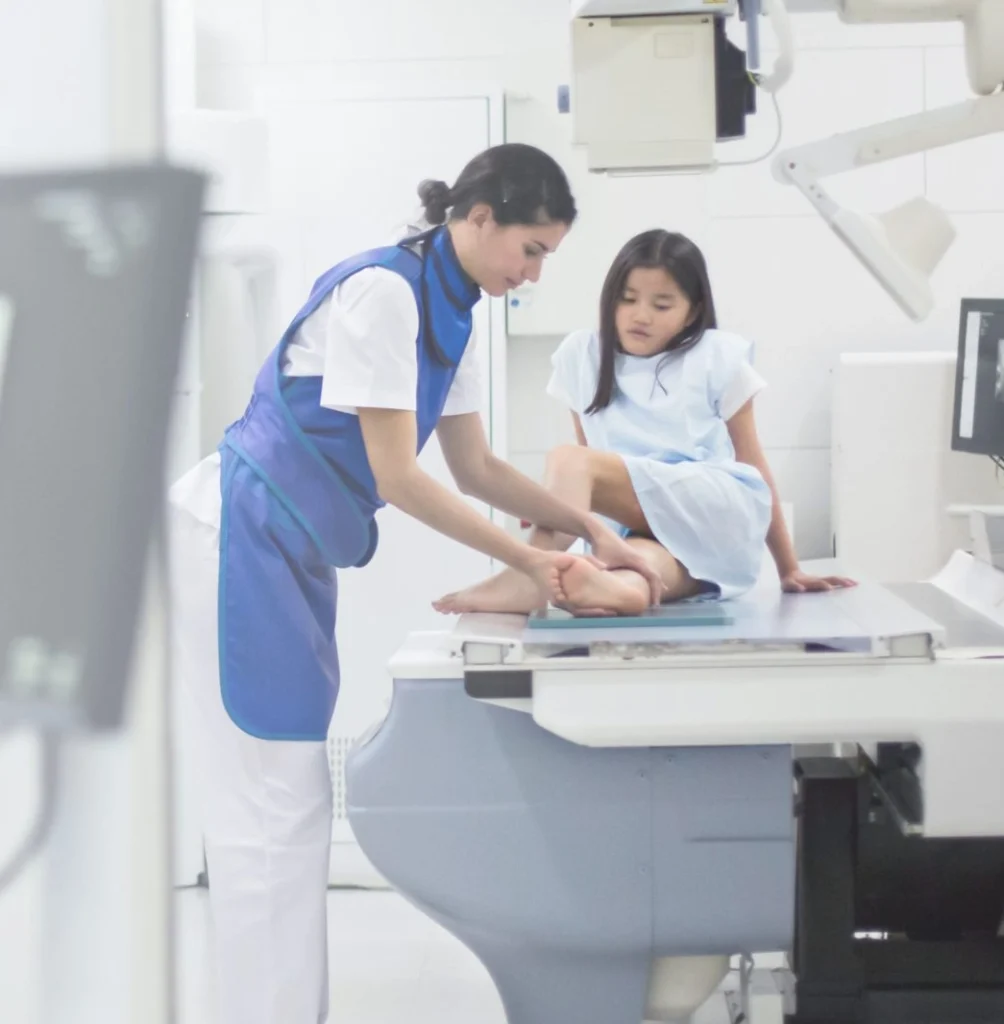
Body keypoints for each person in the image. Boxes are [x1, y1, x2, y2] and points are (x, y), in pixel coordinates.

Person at [167, 143, 664, 1024]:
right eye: (532, 248)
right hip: (238, 532)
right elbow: (399, 477)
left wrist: (583, 522)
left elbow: (474, 468)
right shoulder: (384, 295)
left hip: (294, 543)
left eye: (548, 254)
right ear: (477, 217)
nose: (536, 270)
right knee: (269, 806)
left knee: (288, 803)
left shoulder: (455, 310)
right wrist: (531, 563)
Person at [434, 228, 855, 618]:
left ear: (692, 313)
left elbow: (753, 465)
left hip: (713, 507)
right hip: (645, 527)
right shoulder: (583, 357)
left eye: (662, 304)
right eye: (628, 298)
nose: (641, 315)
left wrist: (789, 568)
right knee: (635, 575)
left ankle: (529, 579)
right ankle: (612, 590)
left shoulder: (716, 356)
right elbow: (593, 484)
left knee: (571, 460)